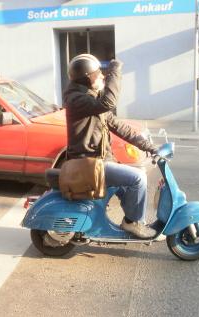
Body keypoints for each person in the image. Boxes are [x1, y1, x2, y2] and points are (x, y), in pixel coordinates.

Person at [62, 54, 164, 240]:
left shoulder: (90, 99)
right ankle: (132, 223)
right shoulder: (77, 100)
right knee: (138, 178)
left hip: (99, 161)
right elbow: (109, 102)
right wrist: (114, 72)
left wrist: (149, 146)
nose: (101, 76)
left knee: (130, 178)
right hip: (88, 162)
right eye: (98, 74)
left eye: (103, 74)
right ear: (87, 78)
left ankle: (129, 219)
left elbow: (119, 126)